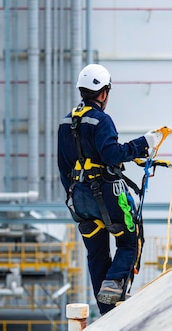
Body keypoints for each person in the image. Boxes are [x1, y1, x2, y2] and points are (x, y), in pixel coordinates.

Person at [58, 63, 161, 315]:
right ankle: (114, 283)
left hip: (79, 199)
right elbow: (112, 154)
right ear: (103, 93)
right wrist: (142, 144)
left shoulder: (66, 122)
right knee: (129, 240)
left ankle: (106, 308)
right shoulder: (101, 120)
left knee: (96, 253)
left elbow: (63, 165)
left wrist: (71, 196)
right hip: (106, 194)